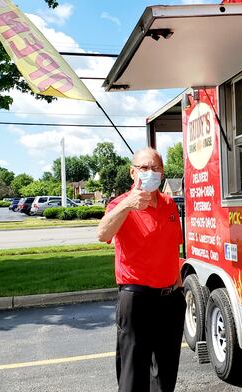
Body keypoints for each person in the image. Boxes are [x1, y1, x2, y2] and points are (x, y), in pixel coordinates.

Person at [97, 147, 186, 392]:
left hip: (170, 299)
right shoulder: (120, 204)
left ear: (162, 172)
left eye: (155, 168)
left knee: (165, 374)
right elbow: (102, 233)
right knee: (133, 374)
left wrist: (179, 291)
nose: (150, 172)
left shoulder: (169, 204)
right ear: (132, 172)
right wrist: (127, 205)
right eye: (144, 168)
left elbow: (172, 250)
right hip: (136, 299)